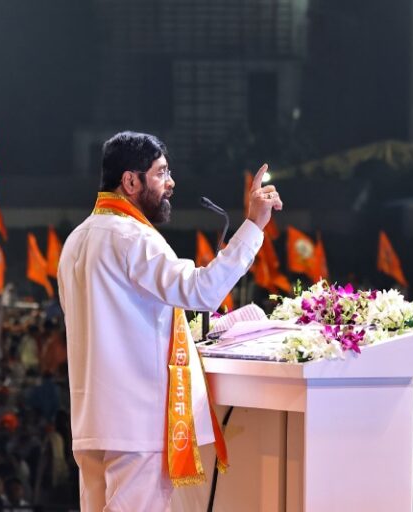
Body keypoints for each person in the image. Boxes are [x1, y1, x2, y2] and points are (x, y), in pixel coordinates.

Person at [57, 131, 282, 511]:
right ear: (130, 181)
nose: (171, 182)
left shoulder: (76, 240)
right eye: (161, 172)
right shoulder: (132, 237)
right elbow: (203, 291)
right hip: (136, 425)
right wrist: (253, 227)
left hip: (92, 424)